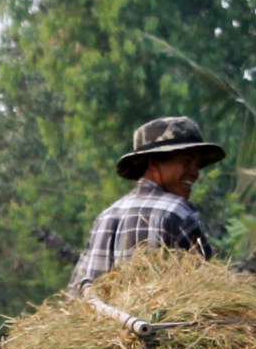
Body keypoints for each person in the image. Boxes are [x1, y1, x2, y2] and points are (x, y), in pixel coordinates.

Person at [67, 115, 223, 291]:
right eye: (186, 162)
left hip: (106, 318)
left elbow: (78, 292)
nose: (195, 172)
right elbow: (208, 288)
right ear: (154, 162)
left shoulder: (106, 216)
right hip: (155, 319)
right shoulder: (178, 212)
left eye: (197, 164)